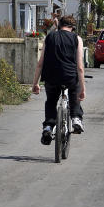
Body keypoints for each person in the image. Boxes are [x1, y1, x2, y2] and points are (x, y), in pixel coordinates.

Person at [31, 15, 86, 145]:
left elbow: (40, 63)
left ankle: (48, 127)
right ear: (73, 27)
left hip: (50, 77)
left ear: (60, 25)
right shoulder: (76, 39)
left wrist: (35, 84)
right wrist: (82, 89)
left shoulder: (49, 37)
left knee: (51, 101)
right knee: (75, 92)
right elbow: (80, 66)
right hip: (70, 76)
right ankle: (76, 118)